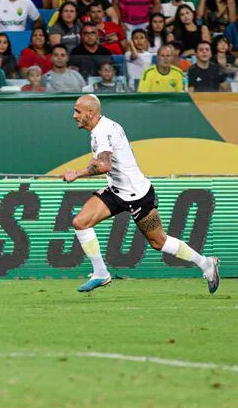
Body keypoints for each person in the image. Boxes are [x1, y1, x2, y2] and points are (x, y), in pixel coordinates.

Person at [61, 94, 219, 293]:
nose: (74, 115)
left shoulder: (102, 132)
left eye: (77, 111)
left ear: (90, 112)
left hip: (138, 195)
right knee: (80, 222)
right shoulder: (104, 128)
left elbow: (104, 165)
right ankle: (101, 273)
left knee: (158, 241)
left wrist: (76, 174)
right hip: (117, 191)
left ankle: (206, 264)